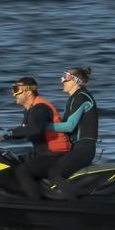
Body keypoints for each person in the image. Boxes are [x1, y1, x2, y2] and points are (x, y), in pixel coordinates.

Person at [0, 76, 71, 200]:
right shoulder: (29, 110)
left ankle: (35, 204)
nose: (13, 94)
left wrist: (9, 133)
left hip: (55, 155)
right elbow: (25, 132)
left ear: (28, 91)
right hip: (41, 153)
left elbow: (36, 129)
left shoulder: (40, 108)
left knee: (22, 171)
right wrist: (0, 135)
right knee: (9, 162)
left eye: (16, 89)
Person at [44, 67, 98, 198]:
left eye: (65, 78)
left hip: (84, 149)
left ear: (76, 81)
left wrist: (43, 126)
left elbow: (69, 126)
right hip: (75, 148)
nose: (62, 81)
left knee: (54, 173)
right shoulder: (74, 98)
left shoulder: (81, 98)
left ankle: (81, 202)